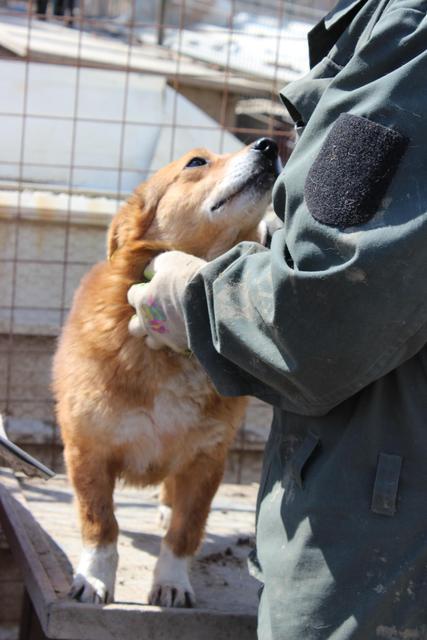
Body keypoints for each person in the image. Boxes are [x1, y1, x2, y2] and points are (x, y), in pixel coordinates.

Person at [127, 0, 427, 637]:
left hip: (379, 539)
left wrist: (195, 296)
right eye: (196, 167)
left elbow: (319, 322)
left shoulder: (409, 43)